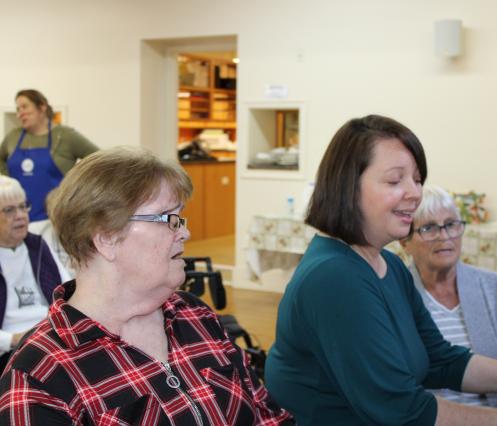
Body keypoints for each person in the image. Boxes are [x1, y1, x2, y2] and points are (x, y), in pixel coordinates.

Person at [0, 147, 293, 425]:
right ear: (106, 238)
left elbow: (268, 417)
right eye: (168, 218)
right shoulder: (41, 374)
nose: (185, 232)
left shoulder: (194, 315)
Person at [265, 114, 497, 425]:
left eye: (417, 178)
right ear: (348, 187)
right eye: (394, 180)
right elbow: (401, 410)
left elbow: (439, 360)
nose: (415, 192)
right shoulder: (334, 278)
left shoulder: (389, 265)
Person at [400, 185, 497, 407]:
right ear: (405, 242)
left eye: (451, 225)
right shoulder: (396, 293)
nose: (444, 236)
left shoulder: (492, 287)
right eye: (429, 228)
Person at [0, 175, 70, 373]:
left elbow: (69, 290)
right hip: (9, 349)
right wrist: (12, 339)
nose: (21, 215)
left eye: (23, 207)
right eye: (9, 210)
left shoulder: (37, 246)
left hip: (49, 335)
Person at [0, 89, 98, 223]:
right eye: (17, 109)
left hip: (55, 219)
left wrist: (77, 184)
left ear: (42, 107)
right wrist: (6, 180)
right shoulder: (13, 137)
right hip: (18, 218)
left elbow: (98, 159)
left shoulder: (65, 136)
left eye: (24, 107)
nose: (19, 113)